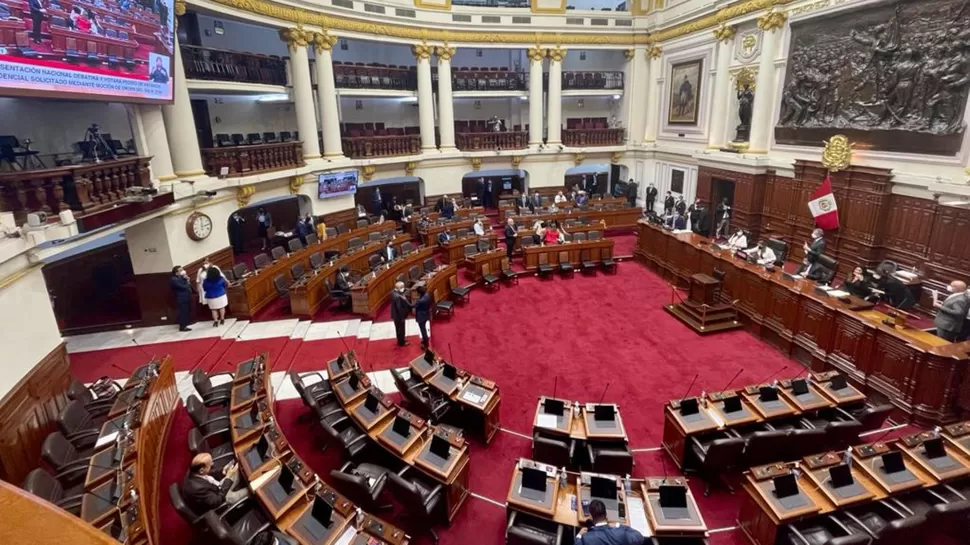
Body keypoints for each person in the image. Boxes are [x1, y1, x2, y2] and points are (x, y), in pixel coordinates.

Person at [181, 453, 248, 515]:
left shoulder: (194, 470)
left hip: (216, 488)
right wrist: (227, 477)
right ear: (201, 470)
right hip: (220, 500)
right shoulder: (198, 489)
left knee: (238, 470)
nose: (213, 464)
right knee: (250, 490)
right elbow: (217, 501)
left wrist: (223, 470)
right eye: (210, 465)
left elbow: (209, 472)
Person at [575, 499, 644, 545]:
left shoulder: (586, 538)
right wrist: (618, 525)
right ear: (606, 514)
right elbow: (639, 537)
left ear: (591, 516)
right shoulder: (621, 533)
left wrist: (579, 535)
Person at [170, 266, 192, 332]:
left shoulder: (180, 277)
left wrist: (186, 279)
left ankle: (185, 324)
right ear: (176, 272)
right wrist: (187, 281)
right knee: (182, 312)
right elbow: (183, 287)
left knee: (186, 311)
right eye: (181, 270)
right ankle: (182, 327)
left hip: (186, 297)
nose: (183, 271)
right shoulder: (174, 279)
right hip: (181, 298)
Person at [390, 281, 412, 347]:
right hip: (399, 317)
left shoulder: (393, 292)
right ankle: (402, 342)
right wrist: (402, 318)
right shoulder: (397, 297)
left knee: (398, 329)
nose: (403, 288)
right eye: (402, 287)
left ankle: (400, 341)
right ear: (399, 288)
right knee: (401, 330)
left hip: (395, 315)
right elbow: (399, 309)